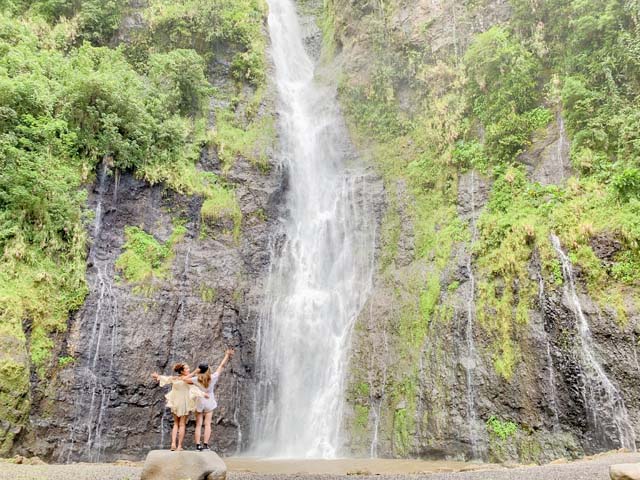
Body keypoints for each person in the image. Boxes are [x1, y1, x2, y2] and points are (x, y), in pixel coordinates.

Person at [151, 362, 208, 451]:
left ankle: (173, 444)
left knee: (176, 423)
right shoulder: (187, 380)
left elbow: (166, 378)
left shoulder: (175, 378)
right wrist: (203, 394)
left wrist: (158, 376)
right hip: (184, 404)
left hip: (175, 402)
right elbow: (195, 389)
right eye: (187, 368)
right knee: (182, 424)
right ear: (182, 371)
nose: (189, 369)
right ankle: (179, 446)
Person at [191, 348, 234, 451]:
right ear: (208, 369)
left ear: (199, 370)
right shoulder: (213, 377)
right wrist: (227, 355)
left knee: (198, 424)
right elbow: (221, 366)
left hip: (200, 400)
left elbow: (184, 379)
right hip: (209, 400)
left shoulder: (195, 379)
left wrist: (194, 372)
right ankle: (205, 445)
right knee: (207, 424)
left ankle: (198, 445)